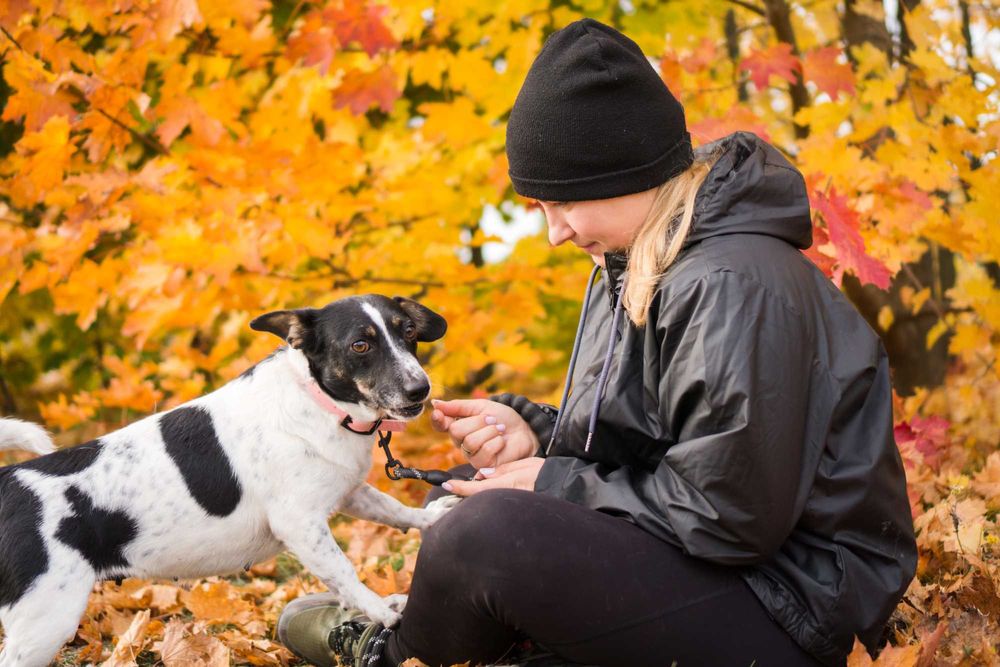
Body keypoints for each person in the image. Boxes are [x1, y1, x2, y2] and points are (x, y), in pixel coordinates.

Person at [277, 18, 917, 667]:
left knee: (485, 532)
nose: (555, 232)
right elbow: (657, 450)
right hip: (723, 573)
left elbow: (728, 515)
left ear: (623, 169)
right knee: (469, 487)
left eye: (563, 203)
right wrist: (532, 435)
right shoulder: (636, 260)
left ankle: (395, 656)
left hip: (789, 608)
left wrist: (552, 483)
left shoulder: (733, 283)